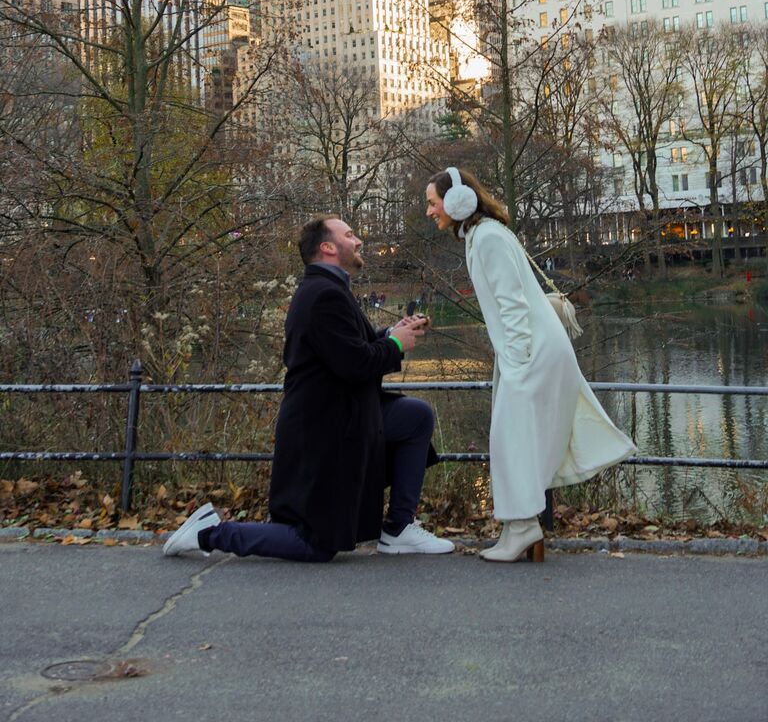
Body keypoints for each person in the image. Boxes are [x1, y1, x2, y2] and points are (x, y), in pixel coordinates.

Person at [164, 215, 454, 563]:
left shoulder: (328, 291)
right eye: (350, 235)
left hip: (344, 416)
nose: (359, 241)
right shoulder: (323, 296)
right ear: (328, 247)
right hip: (323, 432)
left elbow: (344, 350)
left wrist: (390, 334)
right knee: (313, 544)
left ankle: (398, 529)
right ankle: (209, 534)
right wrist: (394, 344)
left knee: (414, 416)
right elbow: (353, 365)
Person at [425, 167, 635, 564]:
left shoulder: (487, 237)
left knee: (512, 440)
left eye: (432, 203)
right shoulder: (480, 235)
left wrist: (518, 362)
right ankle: (518, 527)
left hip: (532, 353)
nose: (429, 211)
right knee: (515, 441)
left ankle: (522, 527)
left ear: (457, 201)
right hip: (527, 352)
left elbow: (513, 304)